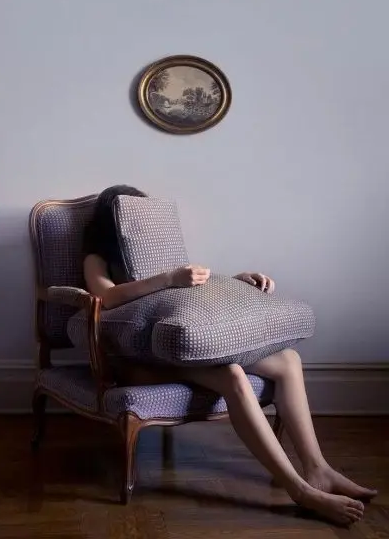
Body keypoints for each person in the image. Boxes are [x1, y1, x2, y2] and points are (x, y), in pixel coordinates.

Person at [82, 185, 377, 526]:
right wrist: (168, 278)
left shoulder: (157, 250)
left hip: (177, 348)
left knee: (289, 360)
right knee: (233, 374)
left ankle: (317, 469)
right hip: (139, 361)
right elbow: (106, 297)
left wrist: (235, 283)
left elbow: (183, 299)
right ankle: (299, 490)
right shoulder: (96, 258)